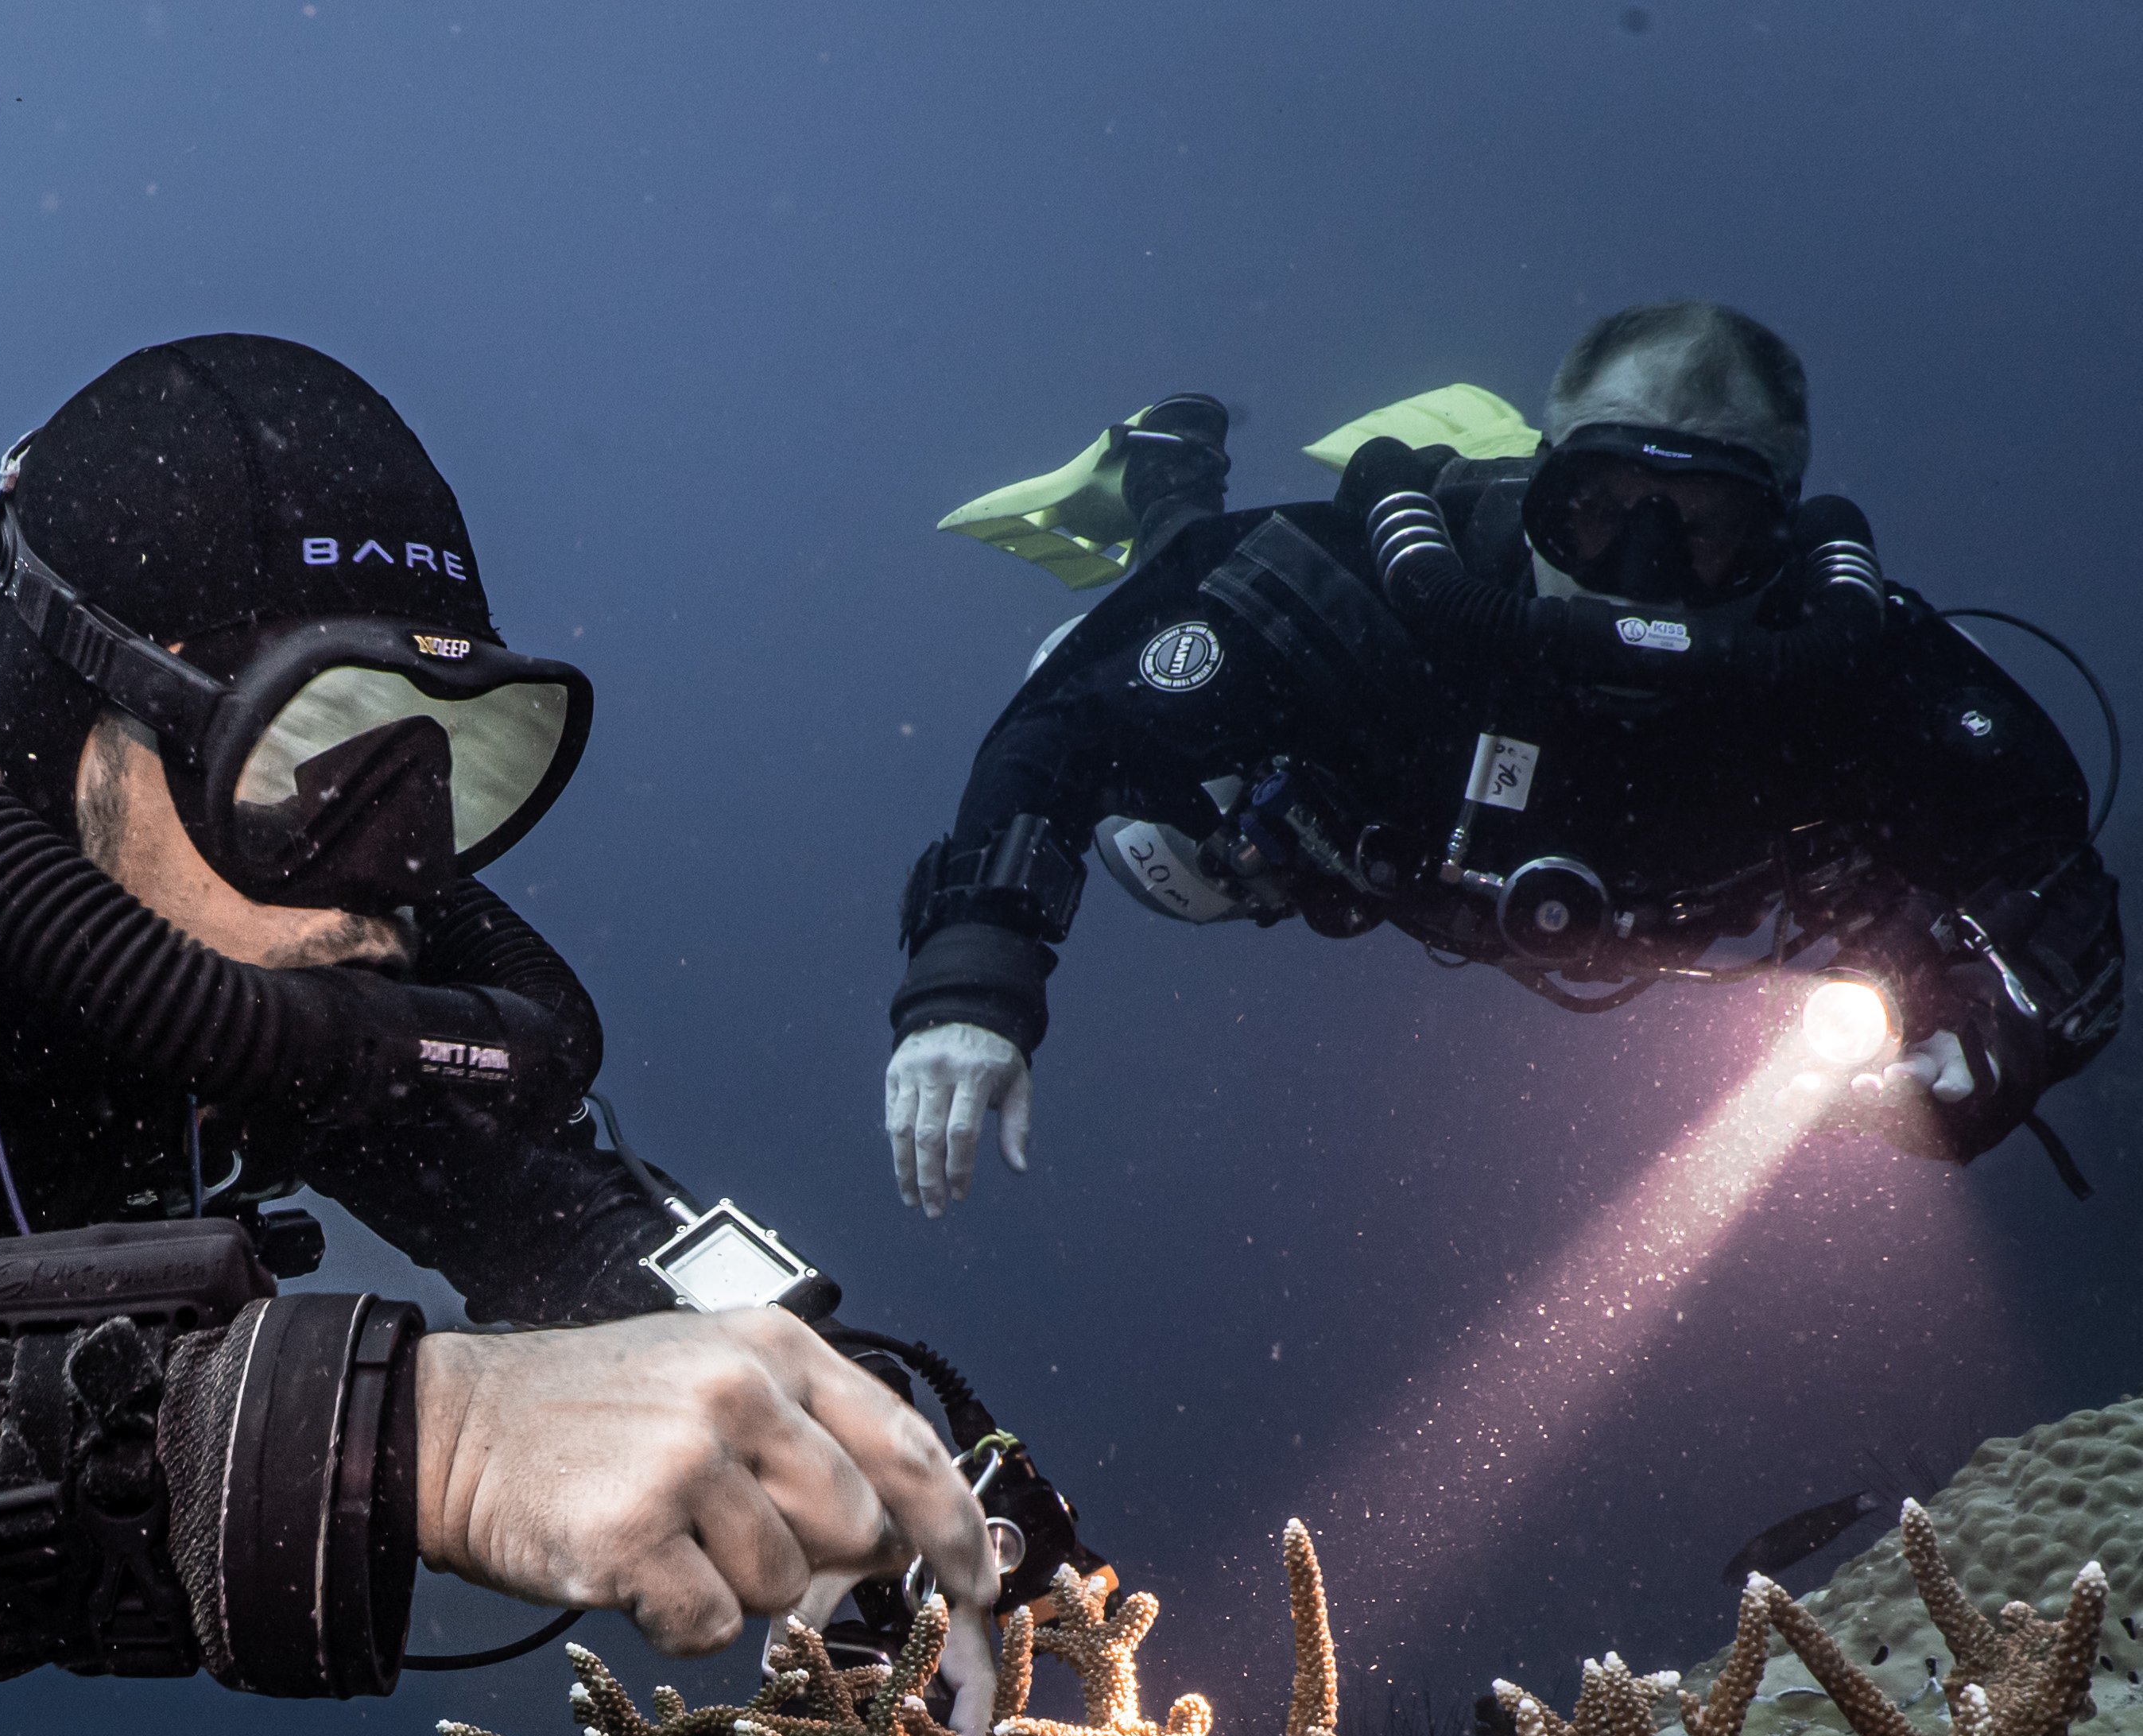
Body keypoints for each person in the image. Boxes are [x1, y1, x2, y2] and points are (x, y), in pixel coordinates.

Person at [0, 335, 994, 1703]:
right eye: (308, 753)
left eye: (449, 760)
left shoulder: (277, 933)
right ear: (73, 723)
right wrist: (426, 1441)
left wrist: (870, 1434)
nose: (393, 864)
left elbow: (543, 1212)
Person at [883, 301, 2123, 1215]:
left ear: (1781, 532)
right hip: (1370, 842)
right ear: (1541, 484)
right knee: (1164, 838)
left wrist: (2000, 1042)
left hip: (1597, 867)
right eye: (1600, 509)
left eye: (1704, 528)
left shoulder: (1848, 662)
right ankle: (1166, 472)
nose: (1640, 573)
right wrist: (972, 982)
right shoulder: (1364, 592)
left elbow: (2040, 841)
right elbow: (1068, 725)